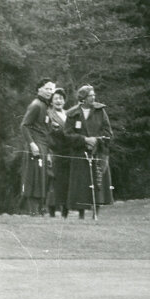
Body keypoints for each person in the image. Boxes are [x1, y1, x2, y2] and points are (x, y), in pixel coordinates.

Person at [61, 85, 114, 218]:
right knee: (81, 184)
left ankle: (96, 213)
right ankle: (81, 214)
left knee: (98, 182)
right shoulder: (73, 114)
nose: (93, 98)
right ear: (83, 98)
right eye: (91, 95)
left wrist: (96, 140)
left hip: (98, 151)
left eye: (94, 95)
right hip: (79, 153)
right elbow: (67, 134)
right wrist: (84, 140)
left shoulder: (100, 111)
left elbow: (108, 131)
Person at [19, 78, 55, 215]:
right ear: (39, 89)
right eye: (47, 88)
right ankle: (33, 211)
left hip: (45, 147)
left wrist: (50, 151)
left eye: (51, 89)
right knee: (34, 178)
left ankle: (40, 210)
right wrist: (32, 144)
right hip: (36, 147)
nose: (49, 92)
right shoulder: (36, 105)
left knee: (43, 178)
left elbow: (47, 130)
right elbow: (24, 126)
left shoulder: (46, 106)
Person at [46, 88, 70, 217]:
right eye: (56, 98)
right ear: (51, 101)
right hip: (55, 152)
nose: (59, 101)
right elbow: (46, 135)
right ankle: (51, 213)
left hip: (68, 153)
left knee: (66, 183)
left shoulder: (68, 114)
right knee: (54, 182)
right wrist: (49, 153)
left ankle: (65, 213)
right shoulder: (49, 115)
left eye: (61, 98)